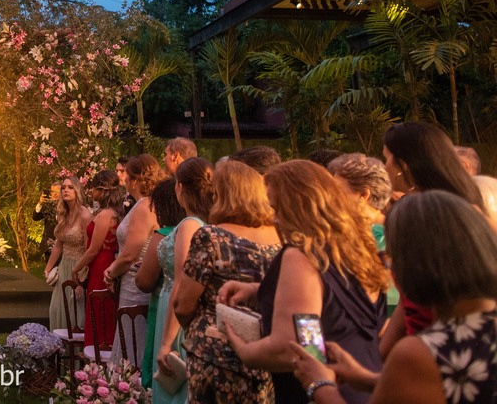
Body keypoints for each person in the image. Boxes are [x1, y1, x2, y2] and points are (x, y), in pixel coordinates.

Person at [290, 191, 497, 404]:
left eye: (391, 255)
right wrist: (366, 379)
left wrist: (319, 384)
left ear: (417, 263)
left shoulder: (423, 351)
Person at [223, 161, 388, 404]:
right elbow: (323, 313)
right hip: (366, 383)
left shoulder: (302, 255)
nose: (275, 219)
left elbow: (292, 346)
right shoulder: (360, 246)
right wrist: (257, 290)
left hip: (321, 391)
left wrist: (242, 349)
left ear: (299, 206)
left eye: (278, 209)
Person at [173, 159, 280, 403]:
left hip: (216, 354)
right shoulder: (279, 237)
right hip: (265, 354)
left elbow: (183, 304)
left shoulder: (212, 236)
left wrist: (201, 328)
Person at [380, 121, 486, 353]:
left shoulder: (425, 216)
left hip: (444, 351)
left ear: (403, 166)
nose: (384, 167)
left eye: (387, 159)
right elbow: (408, 302)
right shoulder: (468, 206)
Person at [152, 156, 214, 404]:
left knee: (174, 384)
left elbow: (181, 280)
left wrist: (167, 342)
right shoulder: (207, 222)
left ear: (180, 187)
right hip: (177, 304)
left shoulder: (189, 225)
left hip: (175, 308)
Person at [104, 154, 163, 363]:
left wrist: (111, 273)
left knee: (132, 338)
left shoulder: (143, 207)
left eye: (126, 174)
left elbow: (130, 254)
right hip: (137, 279)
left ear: (135, 180)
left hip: (134, 285)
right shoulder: (153, 204)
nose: (124, 179)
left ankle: (130, 387)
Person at [134, 177, 184, 380]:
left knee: (162, 364)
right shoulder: (202, 228)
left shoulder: (163, 235)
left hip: (164, 303)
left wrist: (142, 270)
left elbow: (144, 282)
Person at [71, 170, 121, 351]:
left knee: (99, 311)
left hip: (101, 265)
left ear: (101, 190)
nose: (91, 192)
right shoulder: (114, 212)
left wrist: (76, 268)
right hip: (103, 263)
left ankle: (98, 353)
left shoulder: (105, 215)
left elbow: (93, 249)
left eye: (93, 188)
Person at [45, 174, 91, 333]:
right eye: (63, 187)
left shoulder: (85, 215)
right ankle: (58, 352)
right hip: (63, 266)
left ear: (77, 190)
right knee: (56, 308)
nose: (66, 190)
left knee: (74, 313)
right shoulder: (63, 214)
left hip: (78, 269)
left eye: (70, 187)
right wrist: (48, 268)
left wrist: (81, 283)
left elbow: (89, 249)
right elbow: (58, 244)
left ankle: (76, 356)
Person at [32, 181, 61, 260]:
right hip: (49, 246)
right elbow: (35, 217)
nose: (54, 194)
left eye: (57, 192)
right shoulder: (48, 205)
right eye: (52, 192)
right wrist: (40, 203)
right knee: (49, 271)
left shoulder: (68, 207)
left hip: (63, 246)